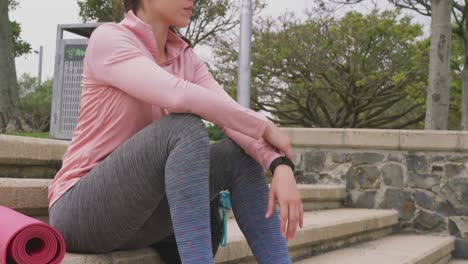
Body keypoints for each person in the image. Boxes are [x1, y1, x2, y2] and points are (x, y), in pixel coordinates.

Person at [47, 0, 303, 263]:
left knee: (235, 155)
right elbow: (176, 95)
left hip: (142, 219)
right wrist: (265, 125)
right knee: (183, 127)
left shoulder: (184, 57)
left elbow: (229, 115)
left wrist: (279, 163)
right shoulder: (110, 39)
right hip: (83, 213)